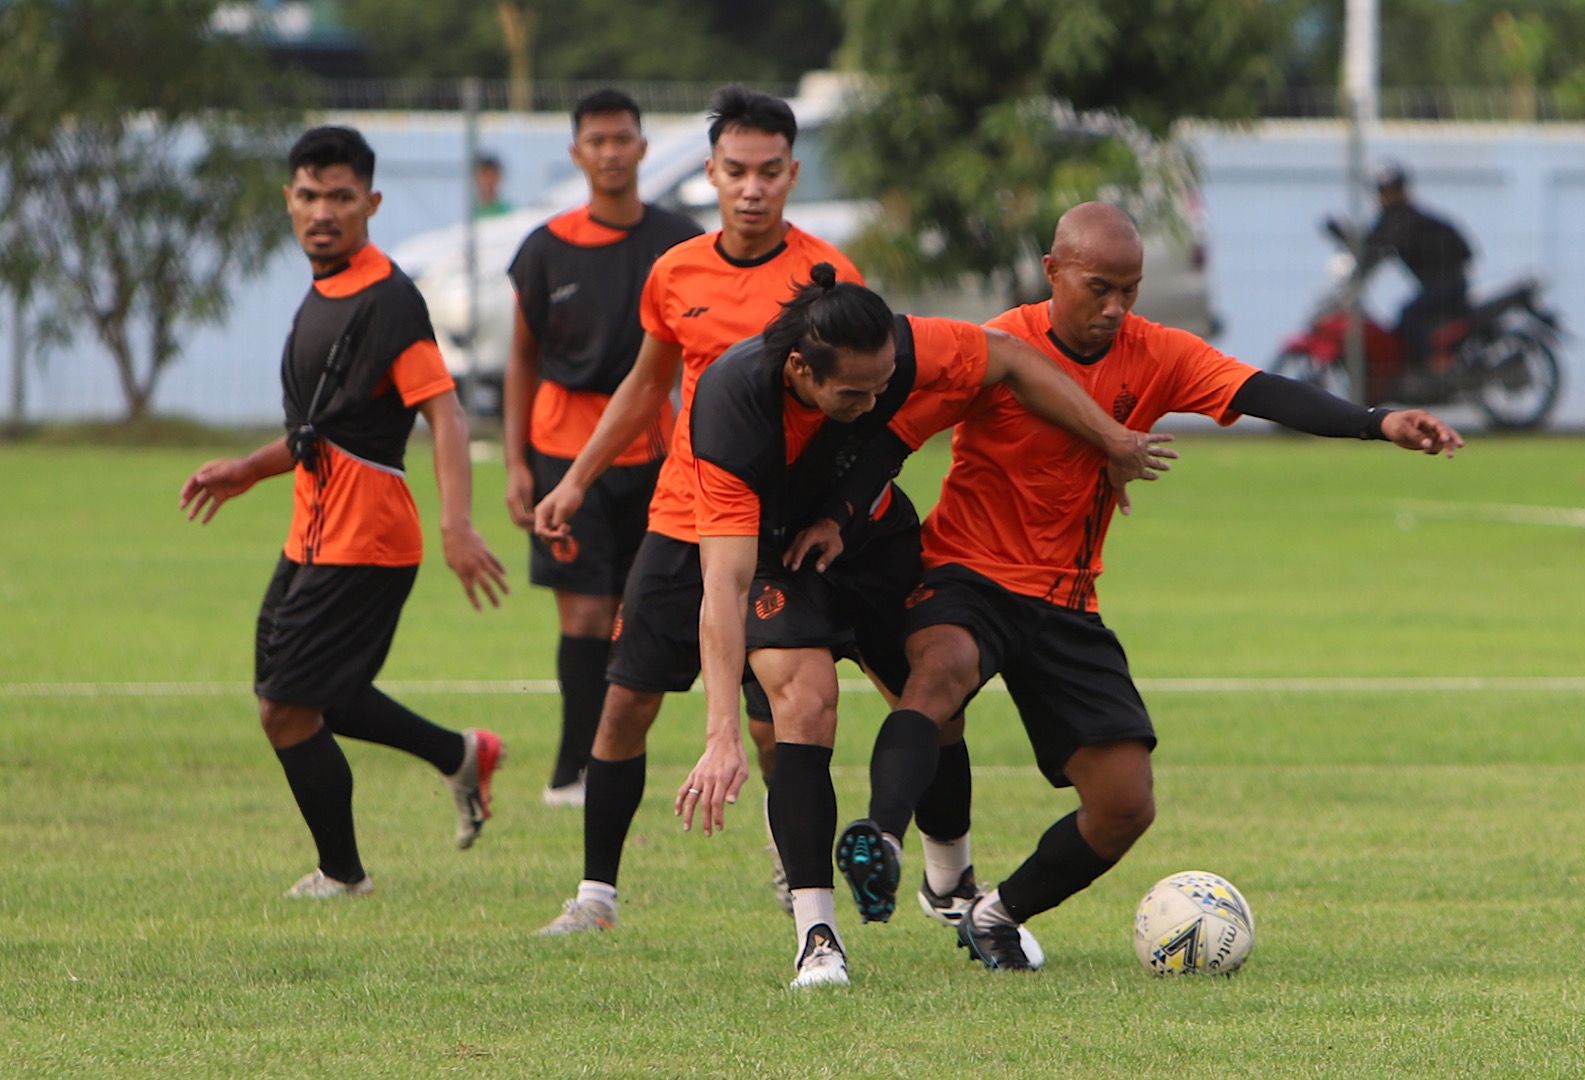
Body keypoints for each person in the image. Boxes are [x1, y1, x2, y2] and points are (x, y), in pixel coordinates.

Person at [843, 201, 1464, 970]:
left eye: (1129, 291)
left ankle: (996, 914)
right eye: (1098, 288)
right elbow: (893, 438)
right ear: (1053, 272)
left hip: (1067, 598)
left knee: (1124, 805)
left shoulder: (1154, 352)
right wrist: (834, 521)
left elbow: (1261, 390)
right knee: (939, 674)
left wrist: (1378, 422)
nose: (1115, 308)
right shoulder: (997, 345)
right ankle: (878, 836)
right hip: (967, 571)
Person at [672, 264, 1170, 988]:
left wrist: (1111, 440)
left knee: (933, 702)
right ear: (800, 369)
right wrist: (720, 731)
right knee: (804, 705)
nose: (874, 403)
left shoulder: (904, 349)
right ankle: (818, 936)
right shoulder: (732, 403)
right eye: (854, 394)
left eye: (883, 386)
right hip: (775, 559)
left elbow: (1013, 358)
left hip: (872, 541)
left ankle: (950, 883)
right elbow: (724, 583)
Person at [528, 85, 850, 934]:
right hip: (681, 517)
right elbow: (644, 388)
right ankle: (596, 895)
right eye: (735, 170)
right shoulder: (676, 271)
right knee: (624, 705)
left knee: (779, 723)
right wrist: (575, 480)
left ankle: (796, 870)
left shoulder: (825, 278)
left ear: (792, 173)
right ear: (710, 173)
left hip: (777, 532)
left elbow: (864, 407)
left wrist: (842, 511)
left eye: (769, 172)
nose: (751, 188)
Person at [178, 125, 512, 899]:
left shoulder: (390, 299)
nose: (322, 211)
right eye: (308, 195)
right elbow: (321, 430)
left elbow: (447, 413)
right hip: (313, 530)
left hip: (367, 540)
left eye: (340, 197)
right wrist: (248, 471)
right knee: (310, 693)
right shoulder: (325, 287)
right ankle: (459, 754)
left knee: (286, 707)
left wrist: (457, 522)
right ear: (289, 202)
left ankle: (343, 875)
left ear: (371, 203)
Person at [503, 91, 702, 808]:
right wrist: (519, 461)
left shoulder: (679, 241)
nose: (611, 151)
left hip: (658, 456)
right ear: (576, 153)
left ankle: (615, 758)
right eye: (598, 140)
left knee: (634, 612)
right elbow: (520, 358)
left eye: (623, 139)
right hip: (563, 452)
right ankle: (572, 769)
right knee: (582, 616)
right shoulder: (546, 247)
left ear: (643, 148)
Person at [1355, 163, 1473, 376]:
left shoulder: (1407, 219)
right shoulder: (1394, 218)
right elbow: (1370, 244)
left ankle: (1433, 362)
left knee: (1408, 314)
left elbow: (1379, 244)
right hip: (1438, 283)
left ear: (1402, 190)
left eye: (1392, 190)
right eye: (1383, 191)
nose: (1387, 196)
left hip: (1449, 283)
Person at [474, 152, 512, 219]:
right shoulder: (469, 213)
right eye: (485, 176)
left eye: (493, 176)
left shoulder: (509, 211)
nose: (489, 181)